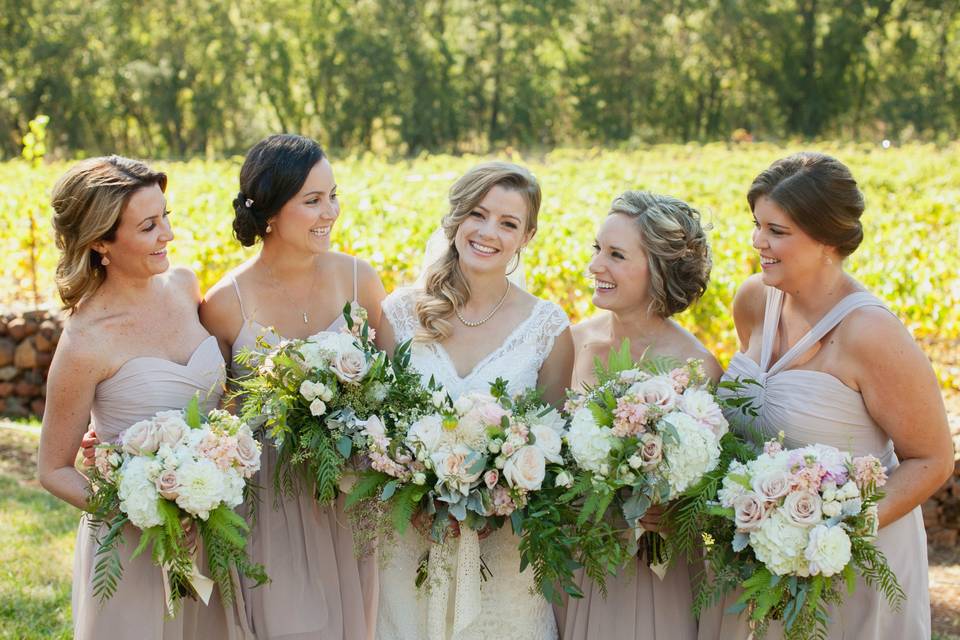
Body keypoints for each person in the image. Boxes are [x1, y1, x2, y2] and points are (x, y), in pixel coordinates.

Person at [699, 152, 951, 639]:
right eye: (756, 225)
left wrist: (830, 534)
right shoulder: (754, 299)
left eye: (777, 231)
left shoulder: (871, 334)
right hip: (762, 561)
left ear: (827, 239)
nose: (758, 242)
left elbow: (933, 459)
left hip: (854, 566)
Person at [38, 156, 245, 639]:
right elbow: (53, 470)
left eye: (166, 216)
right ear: (100, 243)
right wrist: (145, 508)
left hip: (217, 529)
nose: (168, 234)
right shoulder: (86, 341)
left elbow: (222, 395)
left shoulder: (185, 284)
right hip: (133, 548)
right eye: (149, 226)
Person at [374, 161, 574, 640]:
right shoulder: (399, 314)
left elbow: (553, 452)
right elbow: (376, 432)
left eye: (508, 223)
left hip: (503, 559)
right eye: (478, 215)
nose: (489, 233)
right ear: (456, 219)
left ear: (527, 236)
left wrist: (500, 499)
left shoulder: (547, 329)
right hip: (408, 548)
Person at [200, 134, 386, 640]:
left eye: (333, 195)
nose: (331, 211)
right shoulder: (223, 303)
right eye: (312, 200)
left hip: (352, 491)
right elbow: (217, 417)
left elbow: (396, 383)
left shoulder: (359, 279)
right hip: (269, 499)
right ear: (270, 212)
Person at [558, 190, 720, 640]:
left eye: (615, 255)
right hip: (573, 555)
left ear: (659, 271)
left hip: (653, 568)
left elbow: (714, 486)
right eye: (597, 249)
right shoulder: (571, 343)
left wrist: (677, 509)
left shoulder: (695, 367)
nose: (595, 266)